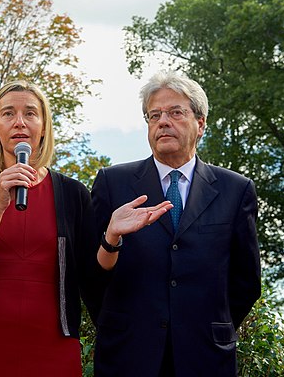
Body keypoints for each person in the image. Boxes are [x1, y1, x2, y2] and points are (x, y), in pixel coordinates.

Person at [0, 80, 171, 376]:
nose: (20, 122)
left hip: (52, 349)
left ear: (43, 126)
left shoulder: (73, 193)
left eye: (31, 113)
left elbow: (93, 278)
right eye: (8, 113)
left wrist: (111, 237)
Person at [90, 70, 262, 376]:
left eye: (175, 112)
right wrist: (111, 238)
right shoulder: (112, 183)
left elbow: (245, 282)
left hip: (206, 357)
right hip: (127, 355)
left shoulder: (236, 190)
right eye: (154, 115)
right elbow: (90, 277)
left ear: (200, 124)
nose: (162, 121)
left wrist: (205, 327)